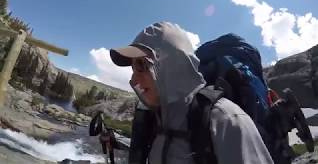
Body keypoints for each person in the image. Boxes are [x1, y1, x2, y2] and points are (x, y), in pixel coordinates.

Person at [110, 21, 274, 164]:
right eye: (133, 69)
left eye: (141, 66)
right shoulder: (155, 120)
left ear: (170, 64)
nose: (133, 79)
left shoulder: (225, 119)